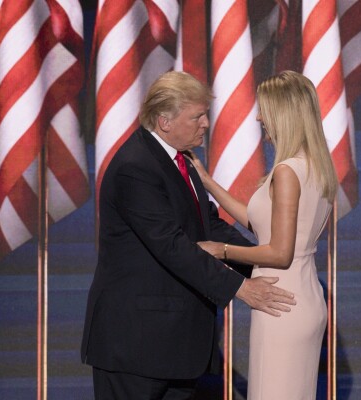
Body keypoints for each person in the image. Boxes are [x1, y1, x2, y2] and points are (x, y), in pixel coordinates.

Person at [81, 71, 296, 400]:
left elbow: (208, 226)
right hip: (136, 346)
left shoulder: (182, 162)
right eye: (197, 116)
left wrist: (263, 264)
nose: (206, 124)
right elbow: (172, 246)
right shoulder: (135, 167)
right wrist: (241, 288)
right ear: (164, 121)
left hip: (173, 347)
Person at [190, 70, 338, 400]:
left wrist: (220, 249)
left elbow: (279, 252)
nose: (258, 117)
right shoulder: (314, 166)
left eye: (264, 109)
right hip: (303, 297)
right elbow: (259, 223)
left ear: (283, 113)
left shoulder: (287, 172)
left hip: (280, 302)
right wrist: (208, 182)